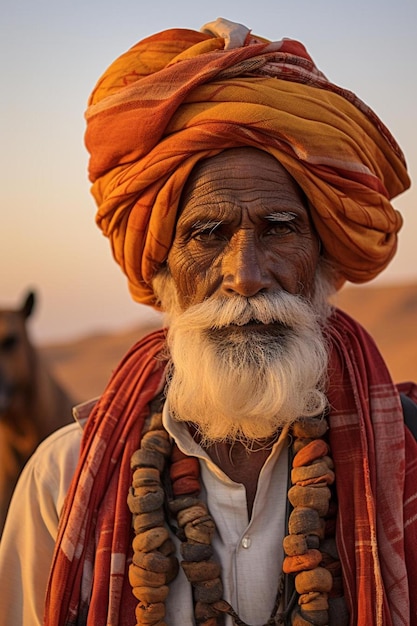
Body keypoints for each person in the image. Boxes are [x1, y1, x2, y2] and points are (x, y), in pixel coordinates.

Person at [0, 16, 416, 626]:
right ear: (162, 269)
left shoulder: (408, 460)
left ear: (323, 259)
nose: (245, 274)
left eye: (279, 230)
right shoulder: (64, 483)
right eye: (205, 234)